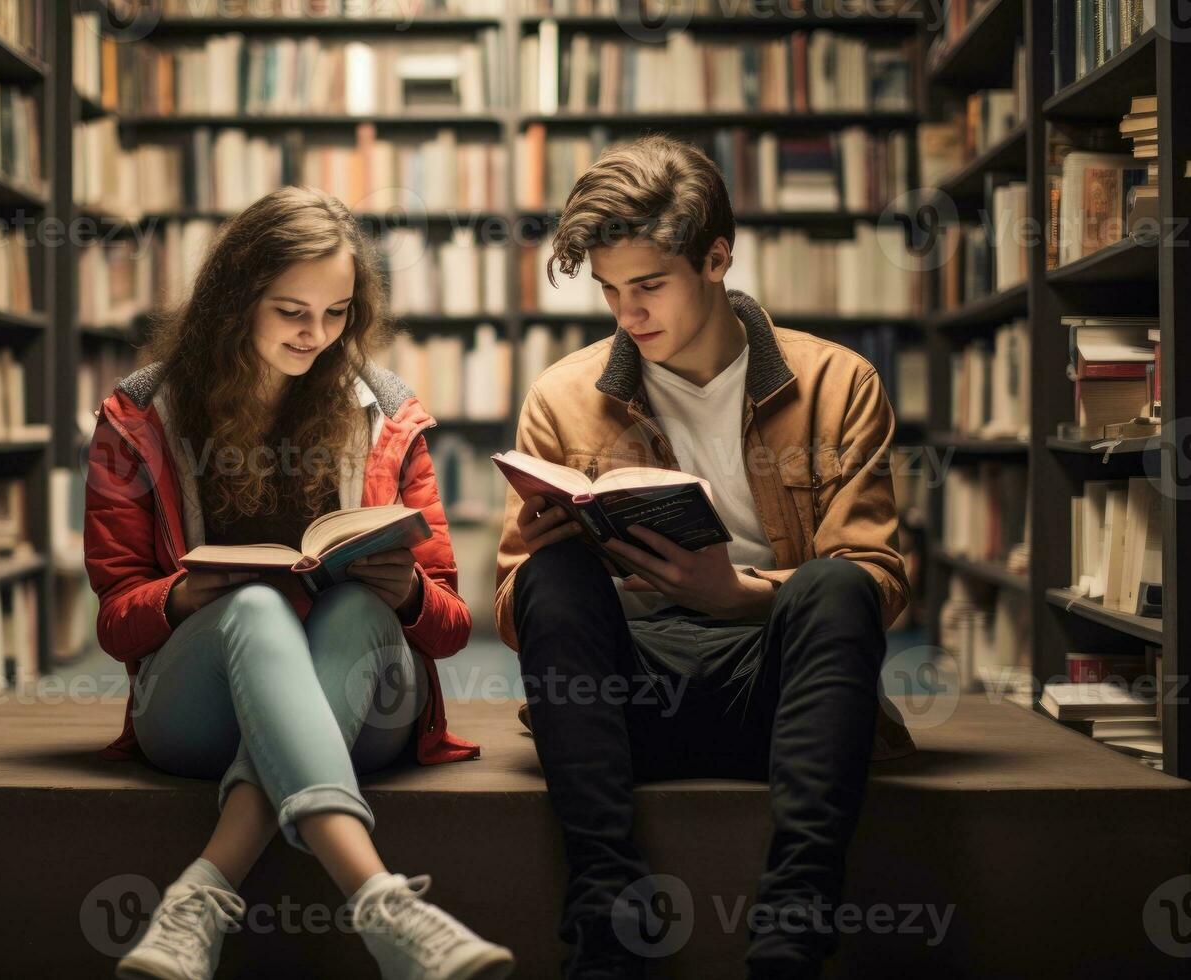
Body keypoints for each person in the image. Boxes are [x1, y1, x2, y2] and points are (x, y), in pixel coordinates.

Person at [493, 135, 917, 979]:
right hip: (627, 697)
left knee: (832, 586)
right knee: (550, 576)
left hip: (780, 688)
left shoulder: (838, 382)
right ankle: (608, 931)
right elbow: (514, 610)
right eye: (611, 291)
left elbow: (878, 582)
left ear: (717, 257)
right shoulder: (563, 397)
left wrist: (741, 594)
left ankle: (791, 936)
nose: (628, 313)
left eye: (649, 285)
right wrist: (543, 555)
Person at [85, 186, 515, 980]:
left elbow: (452, 624)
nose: (317, 336)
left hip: (367, 703)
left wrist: (408, 593)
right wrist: (181, 599)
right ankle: (387, 906)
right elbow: (115, 619)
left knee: (353, 604)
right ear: (235, 298)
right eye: (291, 311)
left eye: (338, 313)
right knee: (253, 605)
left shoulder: (386, 415)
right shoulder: (143, 414)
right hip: (195, 708)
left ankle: (199, 900)